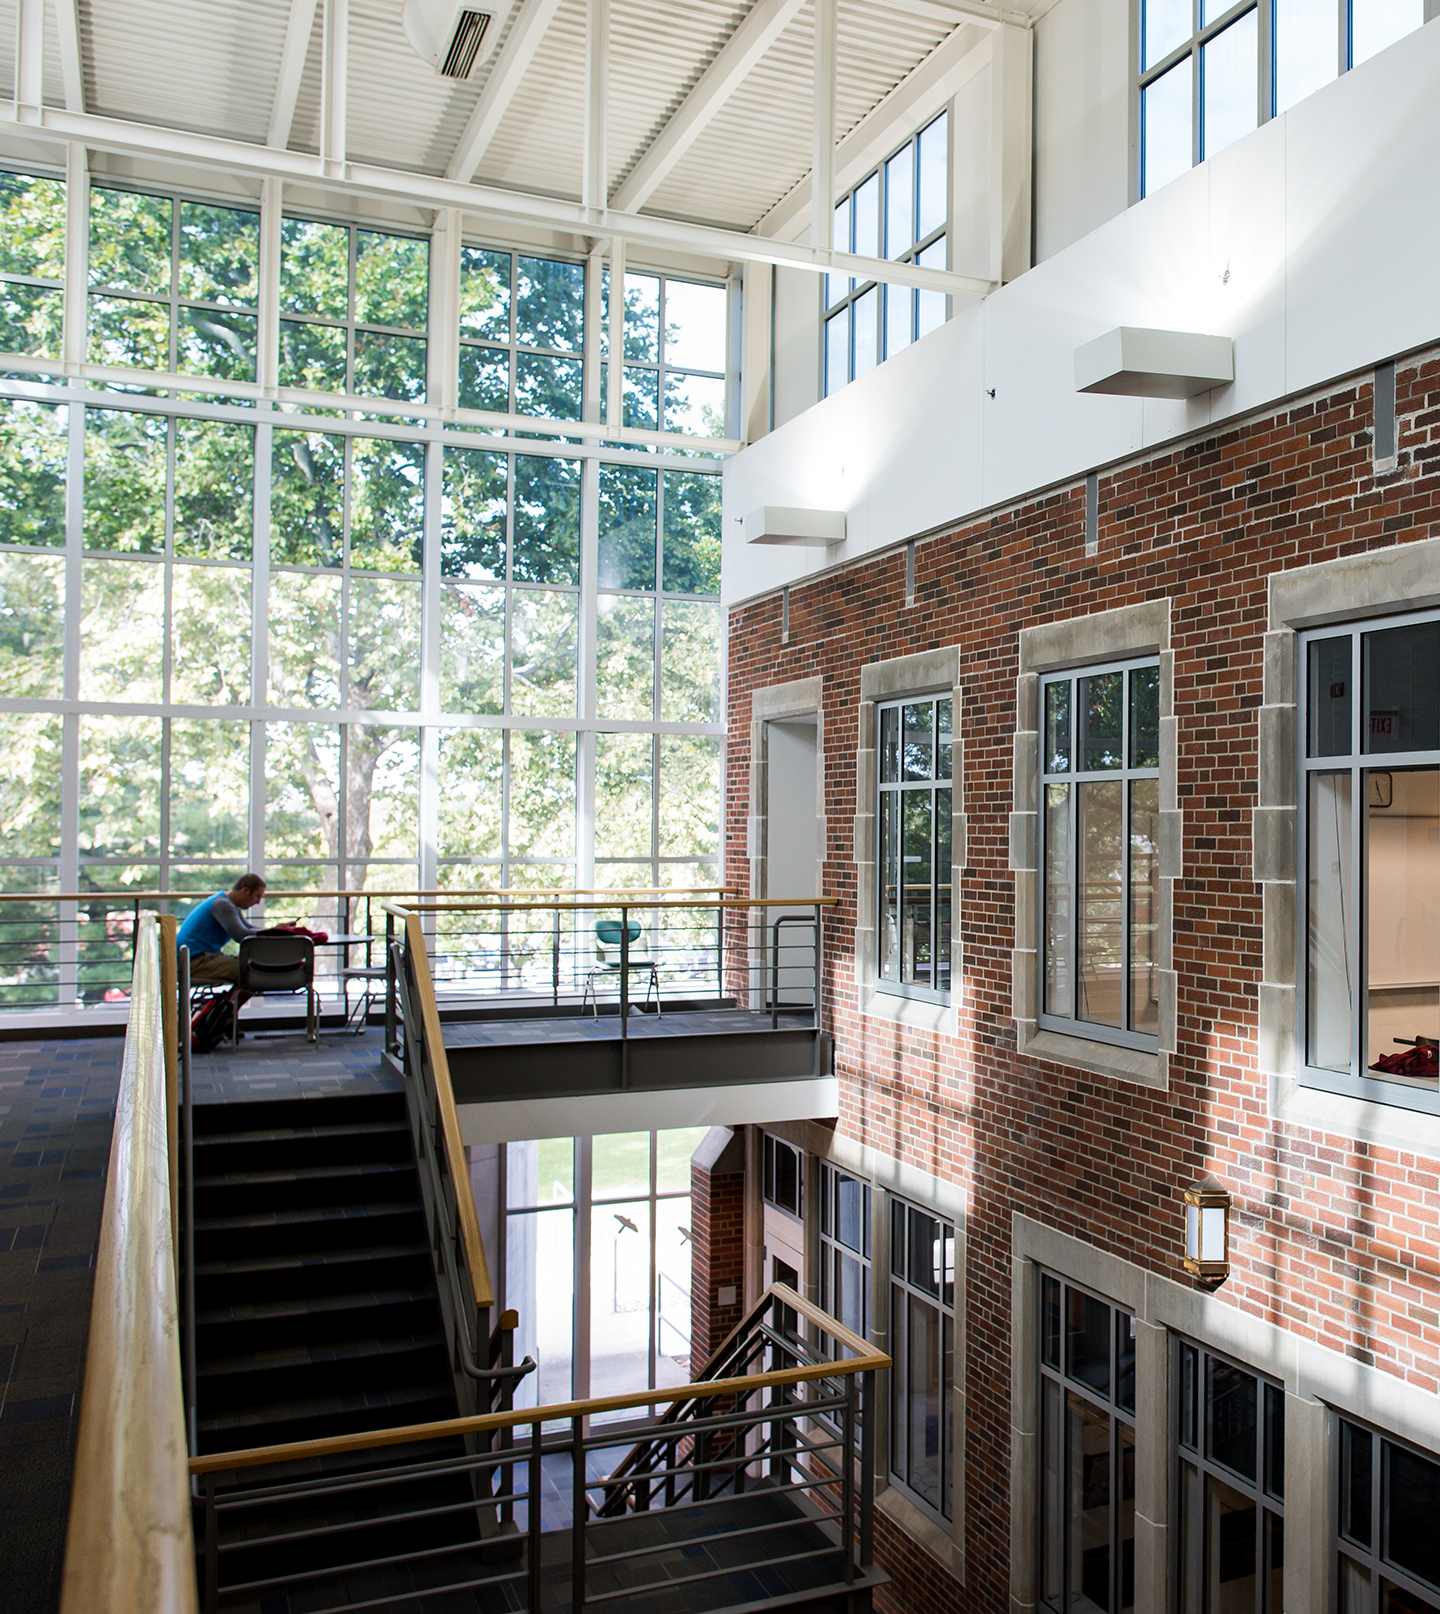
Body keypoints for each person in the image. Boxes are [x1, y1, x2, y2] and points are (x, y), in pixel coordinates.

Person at [177, 874, 267, 1011]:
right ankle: (223, 1015)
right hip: (194, 962)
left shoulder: (228, 903)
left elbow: (248, 928)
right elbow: (241, 935)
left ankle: (222, 1014)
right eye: (257, 896)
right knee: (254, 973)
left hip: (196, 958)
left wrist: (275, 930)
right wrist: (273, 932)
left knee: (250, 970)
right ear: (245, 891)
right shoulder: (223, 905)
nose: (258, 902)